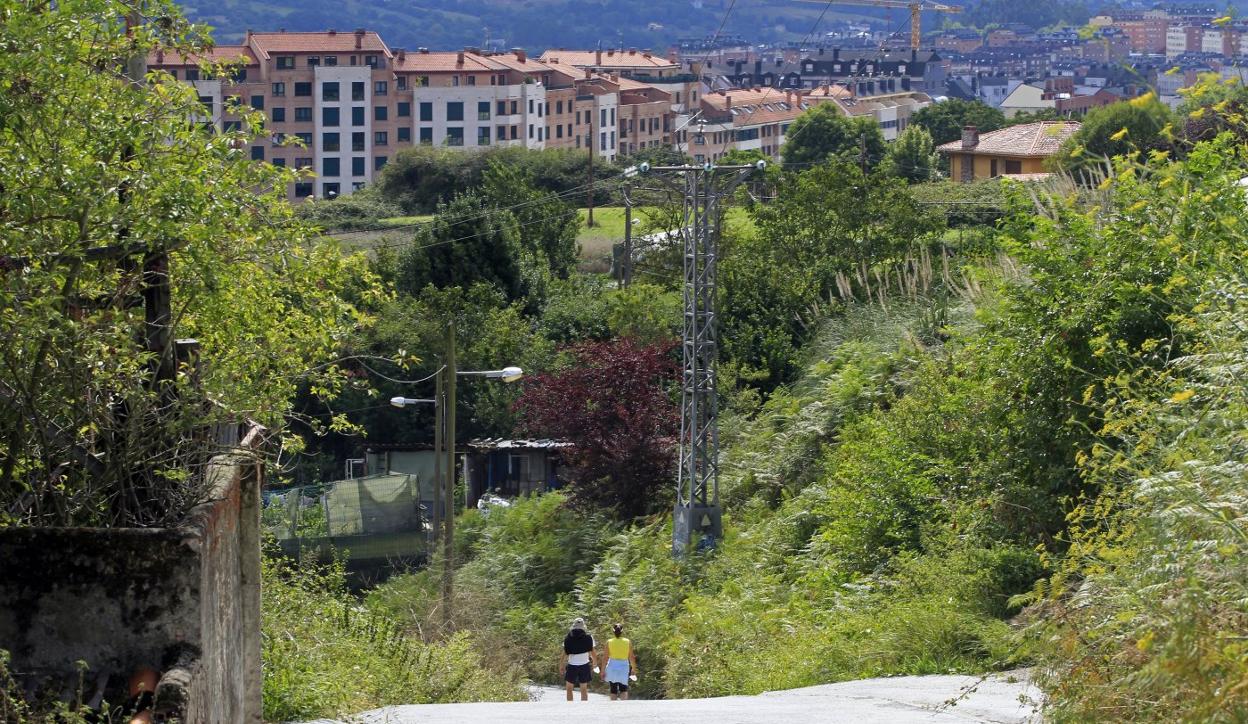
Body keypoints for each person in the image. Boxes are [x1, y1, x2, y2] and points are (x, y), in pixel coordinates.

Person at [560, 617, 598, 701]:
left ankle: (570, 706)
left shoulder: (568, 638)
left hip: (572, 665)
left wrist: (561, 665)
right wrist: (595, 663)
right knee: (583, 688)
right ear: (583, 626)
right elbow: (593, 653)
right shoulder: (589, 638)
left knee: (569, 688)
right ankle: (584, 707)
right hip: (584, 665)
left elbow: (565, 653)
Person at [603, 623, 638, 701]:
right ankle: (623, 708)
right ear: (622, 631)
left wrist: (602, 670)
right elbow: (631, 657)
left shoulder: (609, 642)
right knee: (623, 688)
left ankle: (614, 708)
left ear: (613, 631)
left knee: (613, 689)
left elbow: (605, 658)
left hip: (612, 665)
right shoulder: (627, 642)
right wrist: (633, 669)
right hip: (624, 665)